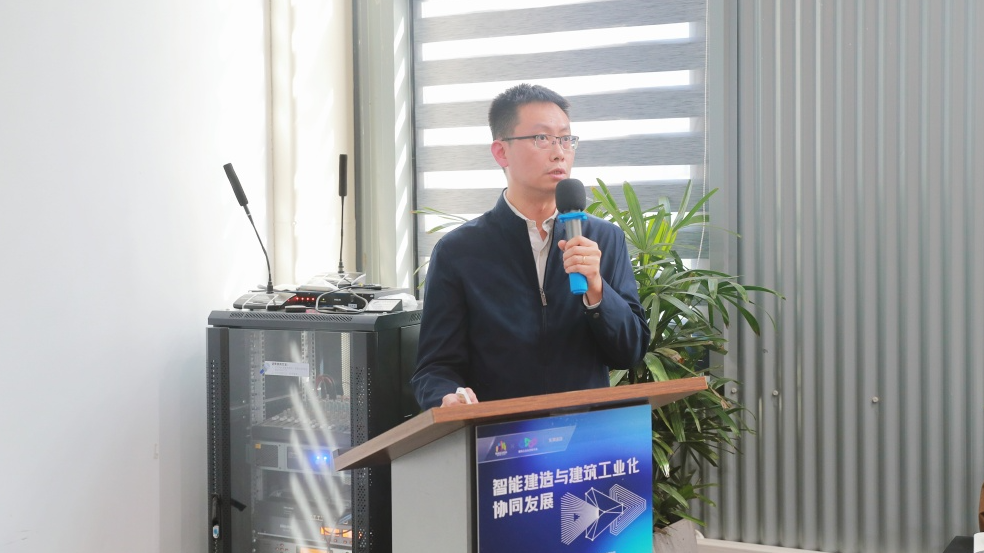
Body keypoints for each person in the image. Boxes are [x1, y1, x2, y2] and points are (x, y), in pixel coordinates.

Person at [410, 83, 649, 410]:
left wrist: (597, 289)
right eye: (542, 138)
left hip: (584, 433)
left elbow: (629, 352)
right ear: (501, 152)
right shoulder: (458, 252)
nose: (559, 152)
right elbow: (434, 367)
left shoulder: (604, 239)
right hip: (500, 435)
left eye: (566, 139)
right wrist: (448, 397)